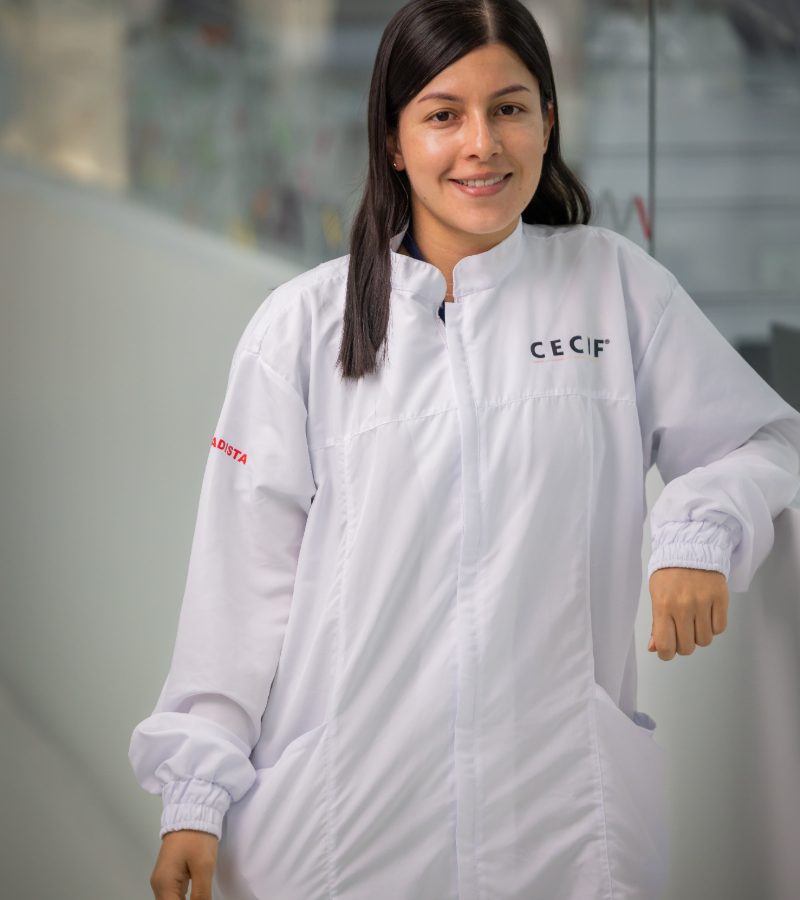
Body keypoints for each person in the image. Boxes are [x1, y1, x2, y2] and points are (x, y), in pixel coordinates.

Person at [129, 1, 800, 898]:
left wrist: (698, 533)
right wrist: (194, 796)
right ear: (394, 141)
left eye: (509, 108)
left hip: (565, 834)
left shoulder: (615, 289)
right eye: (443, 115)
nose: (482, 144)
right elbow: (239, 594)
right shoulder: (301, 328)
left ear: (548, 120)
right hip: (342, 838)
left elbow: (761, 437)